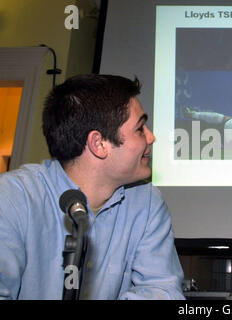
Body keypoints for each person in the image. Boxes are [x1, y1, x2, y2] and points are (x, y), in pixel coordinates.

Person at [0, 74, 185, 300]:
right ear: (98, 144)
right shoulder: (12, 198)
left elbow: (164, 290)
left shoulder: (147, 202)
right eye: (140, 128)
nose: (151, 137)